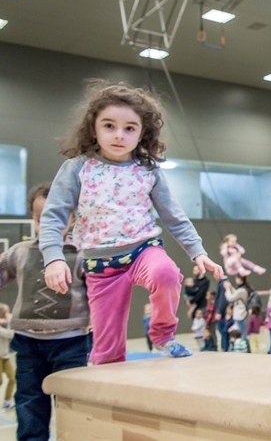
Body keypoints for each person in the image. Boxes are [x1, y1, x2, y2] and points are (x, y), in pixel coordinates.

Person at [40, 81, 224, 364]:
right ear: (93, 128)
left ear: (142, 133)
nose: (119, 135)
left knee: (166, 274)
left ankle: (162, 334)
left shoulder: (148, 170)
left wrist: (197, 252)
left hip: (142, 250)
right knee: (107, 352)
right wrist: (53, 258)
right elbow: (53, 215)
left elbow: (174, 217)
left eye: (129, 128)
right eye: (109, 125)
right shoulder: (78, 168)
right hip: (100, 265)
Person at [0, 182, 90, 440]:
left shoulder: (81, 254)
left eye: (58, 219)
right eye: (42, 220)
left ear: (73, 219)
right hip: (28, 341)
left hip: (71, 341)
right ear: (33, 218)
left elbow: (100, 293)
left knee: (72, 401)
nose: (49, 225)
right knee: (29, 400)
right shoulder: (20, 252)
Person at [0, 303, 15, 409]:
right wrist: (10, 322)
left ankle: (7, 401)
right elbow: (10, 334)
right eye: (6, 313)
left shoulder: (3, 325)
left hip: (5, 356)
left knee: (12, 378)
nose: (8, 314)